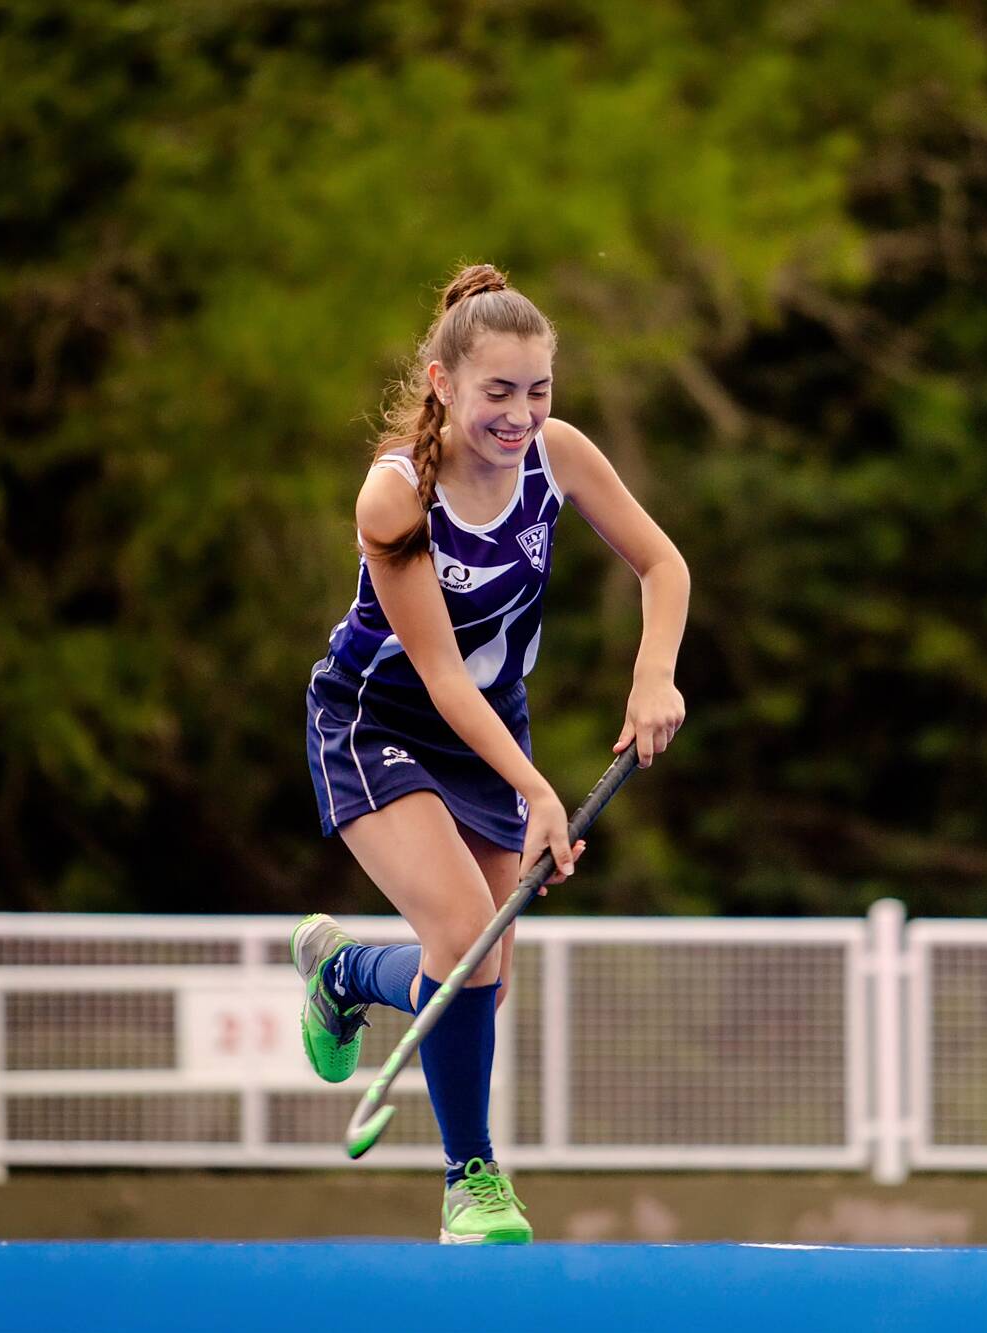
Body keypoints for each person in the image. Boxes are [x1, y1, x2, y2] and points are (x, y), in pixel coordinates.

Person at [294, 263, 688, 1243]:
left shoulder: (557, 458)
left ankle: (343, 973)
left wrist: (653, 675)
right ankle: (470, 1181)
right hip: (377, 722)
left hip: (488, 736)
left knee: (482, 974)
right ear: (443, 384)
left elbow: (662, 564)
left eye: (537, 391)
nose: (518, 416)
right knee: (467, 933)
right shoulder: (396, 500)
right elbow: (438, 677)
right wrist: (539, 791)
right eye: (497, 393)